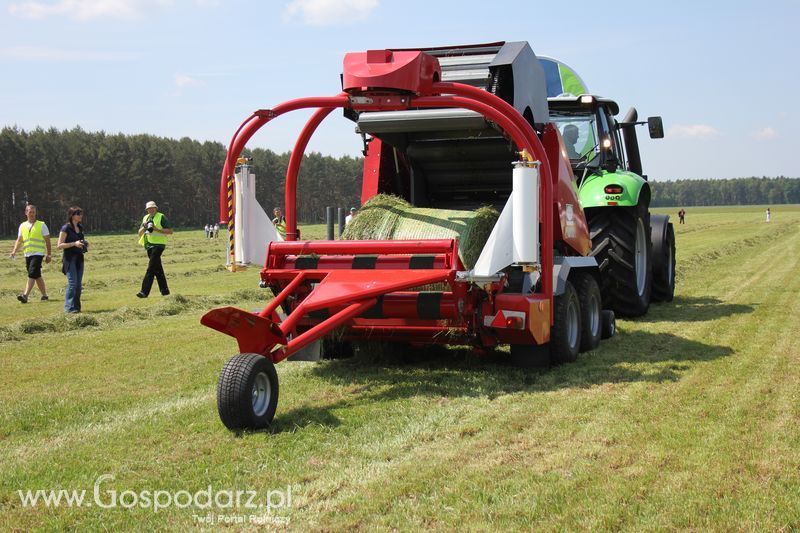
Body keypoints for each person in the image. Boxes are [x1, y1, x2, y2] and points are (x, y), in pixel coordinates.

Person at [9, 204, 51, 303]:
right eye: (30, 212)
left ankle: (25, 295)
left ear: (36, 213)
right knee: (36, 275)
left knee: (32, 273)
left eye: (33, 212)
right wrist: (14, 251)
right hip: (27, 254)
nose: (32, 214)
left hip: (38, 253)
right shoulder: (22, 226)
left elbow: (48, 241)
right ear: (26, 213)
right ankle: (44, 295)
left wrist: (49, 254)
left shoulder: (42, 225)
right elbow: (19, 240)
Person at [136, 201, 173, 298]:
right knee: (157, 269)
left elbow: (170, 231)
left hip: (159, 245)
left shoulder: (161, 216)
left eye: (152, 208)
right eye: (149, 209)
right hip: (149, 245)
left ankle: (144, 291)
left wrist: (157, 229)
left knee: (151, 268)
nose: (150, 210)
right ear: (147, 210)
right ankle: (165, 291)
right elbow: (139, 233)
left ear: (156, 208)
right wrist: (144, 227)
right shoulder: (145, 218)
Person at [57, 207, 87, 313]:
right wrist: (74, 244)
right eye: (78, 213)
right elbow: (59, 245)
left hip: (79, 258)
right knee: (72, 283)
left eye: (81, 213)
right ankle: (68, 308)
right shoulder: (66, 228)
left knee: (78, 285)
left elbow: (80, 240)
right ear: (72, 215)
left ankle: (76, 308)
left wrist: (84, 243)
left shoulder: (80, 227)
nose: (80, 216)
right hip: (69, 259)